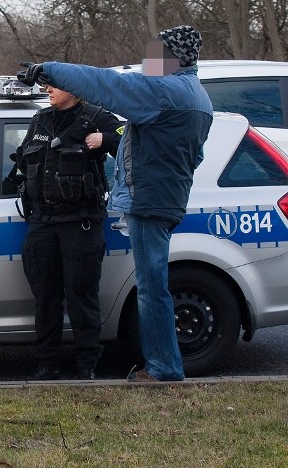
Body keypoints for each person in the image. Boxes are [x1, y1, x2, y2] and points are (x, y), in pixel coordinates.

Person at [18, 25, 213, 382]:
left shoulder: (167, 92)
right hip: (164, 196)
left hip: (148, 200)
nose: (148, 61)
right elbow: (194, 157)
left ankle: (163, 369)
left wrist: (50, 70)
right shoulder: (199, 97)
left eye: (156, 54)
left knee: (152, 291)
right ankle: (164, 366)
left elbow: (108, 84)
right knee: (154, 287)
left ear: (172, 57)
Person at [14, 84, 123, 381]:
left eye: (54, 85)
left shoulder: (96, 117)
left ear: (74, 90)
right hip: (43, 222)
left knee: (81, 296)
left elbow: (131, 138)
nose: (47, 90)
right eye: (45, 85)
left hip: (81, 222)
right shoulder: (40, 120)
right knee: (45, 298)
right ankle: (47, 364)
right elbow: (24, 159)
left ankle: (86, 365)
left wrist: (107, 138)